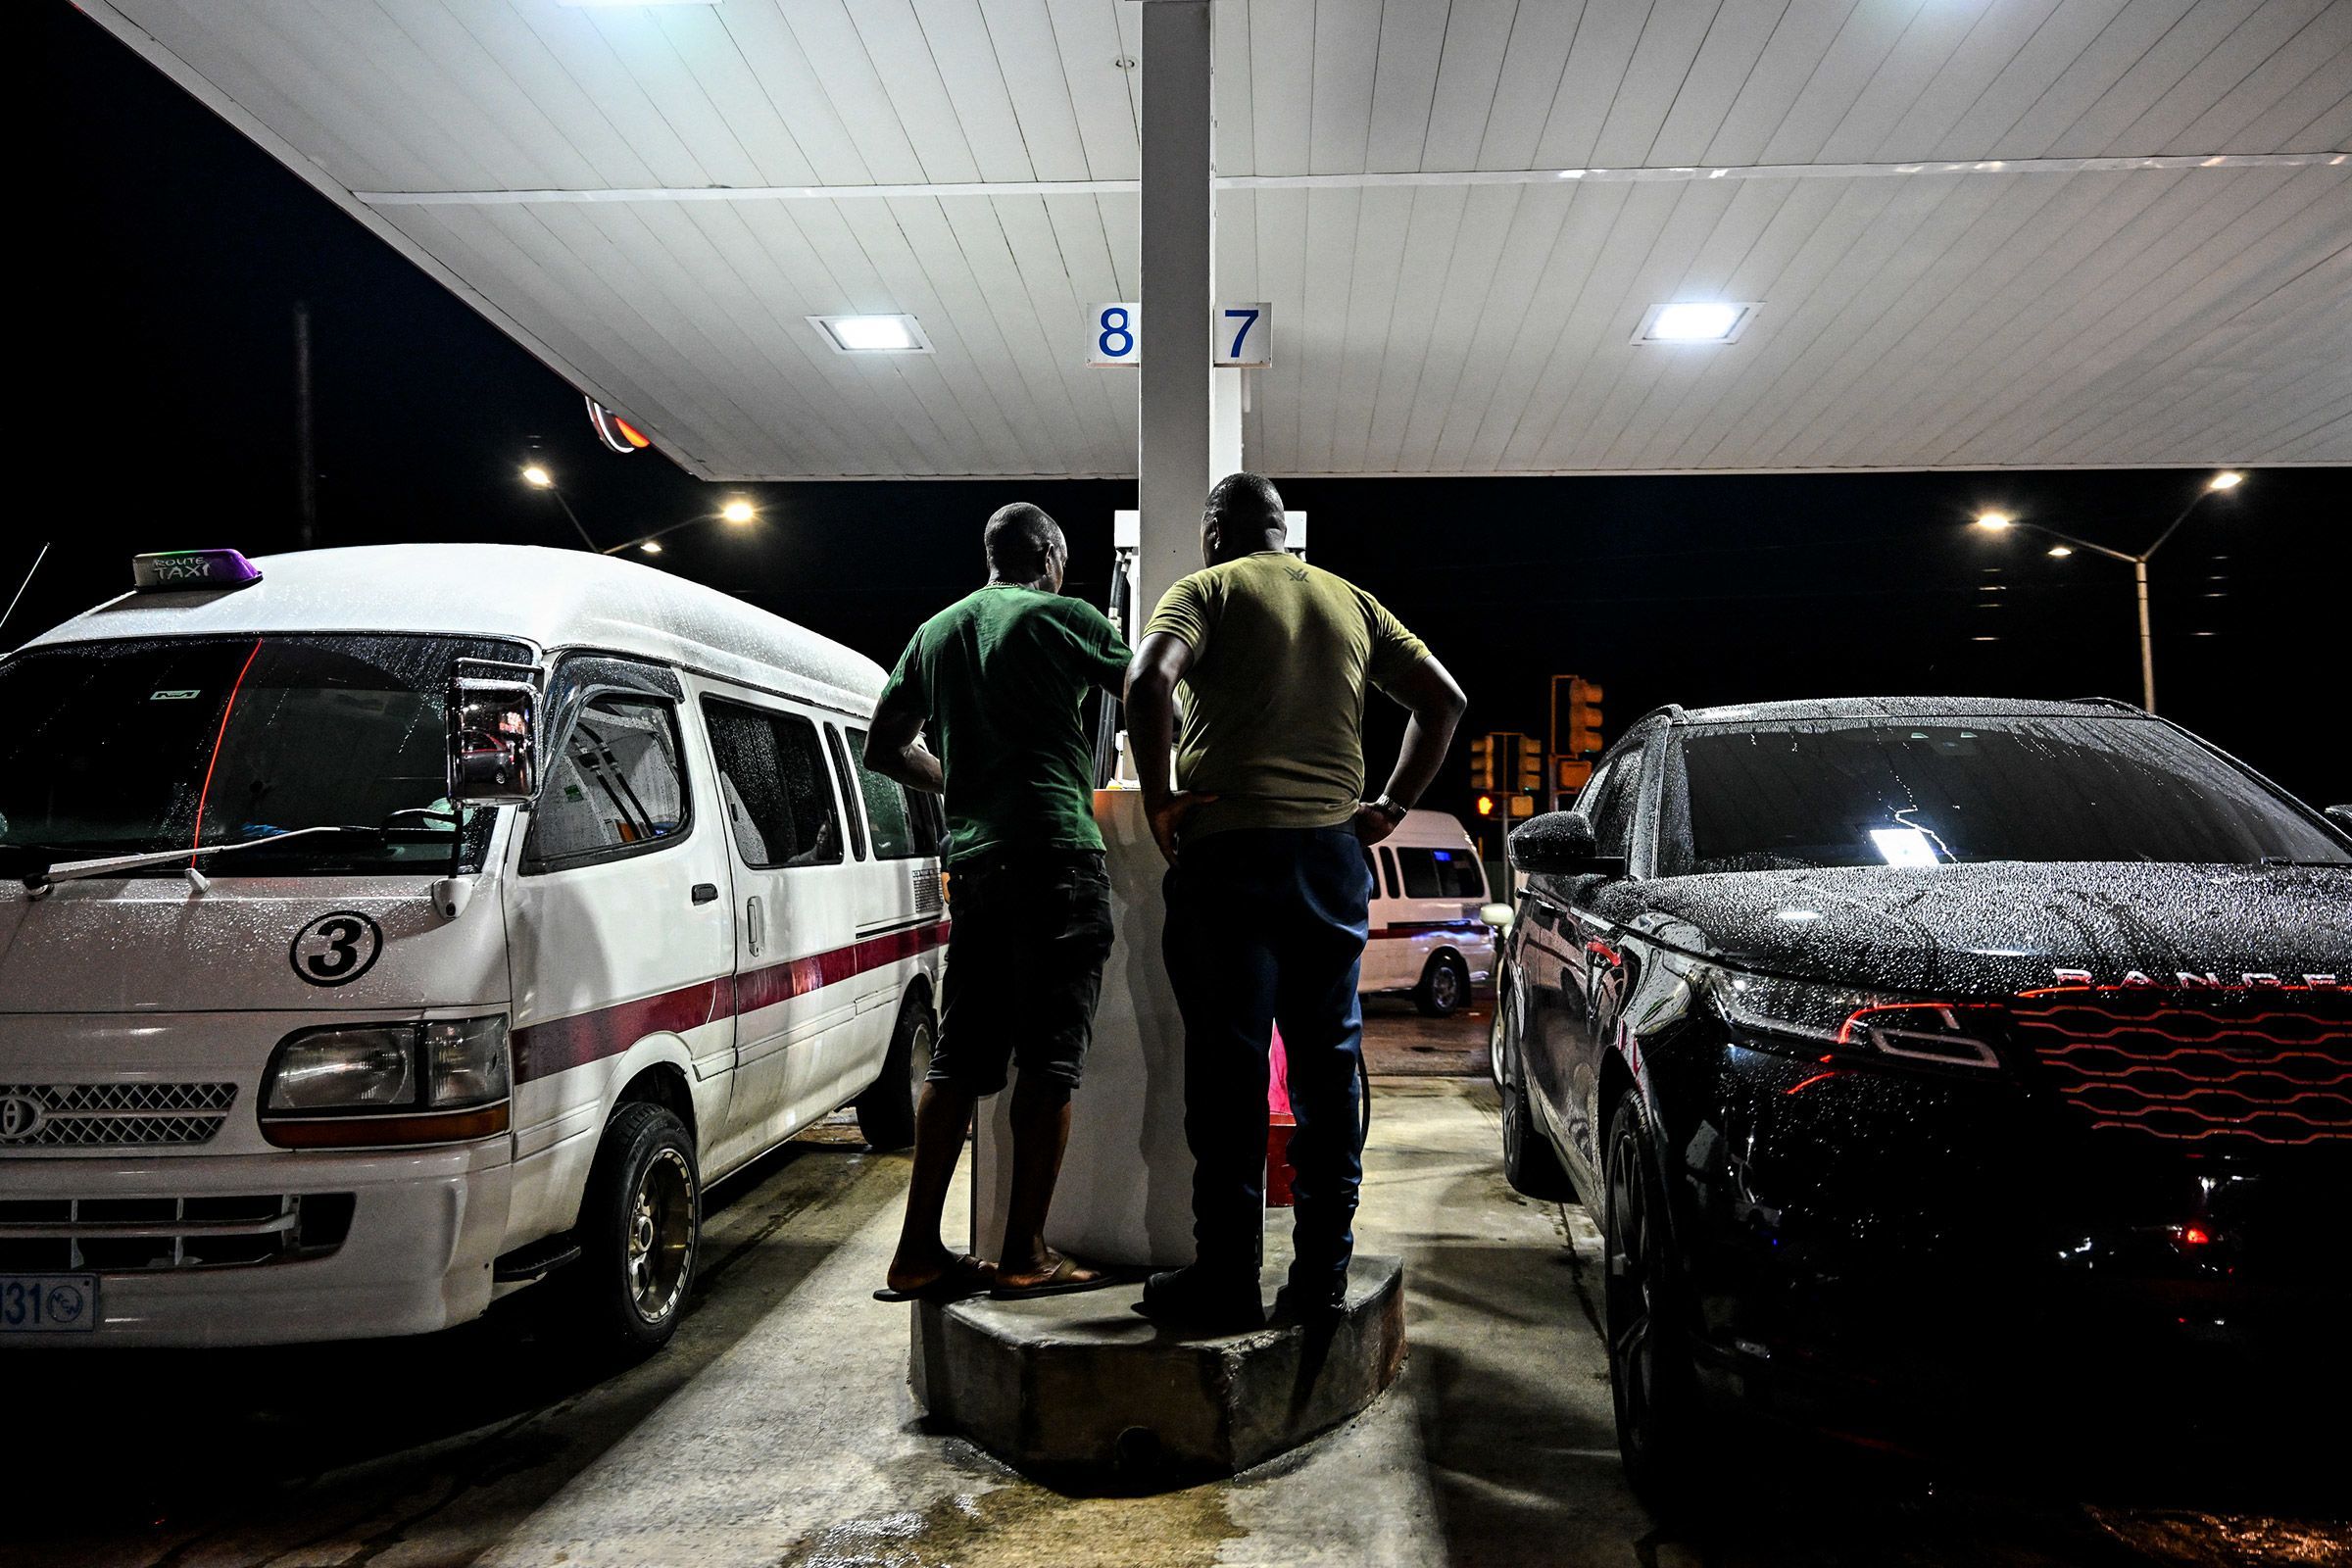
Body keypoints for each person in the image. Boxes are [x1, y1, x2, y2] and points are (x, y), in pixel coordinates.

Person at [1125, 472, 1466, 1331]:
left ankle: (1227, 1282)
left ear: (1214, 532)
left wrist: (1162, 798)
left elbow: (1146, 682)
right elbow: (1444, 700)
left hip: (1229, 856)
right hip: (1328, 857)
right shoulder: (1351, 601)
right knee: (1326, 1073)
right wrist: (1387, 803)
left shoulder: (1204, 591)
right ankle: (1319, 1284)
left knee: (1229, 1076)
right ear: (1285, 535)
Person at [864, 503, 1132, 1301]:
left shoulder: (937, 632)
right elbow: (1151, 688)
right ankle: (1024, 1253)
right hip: (1056, 859)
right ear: (1049, 555)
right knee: (1049, 1062)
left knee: (956, 1061)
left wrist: (963, 780)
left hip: (977, 869)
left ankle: (917, 1253)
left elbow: (885, 746)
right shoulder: (1067, 617)